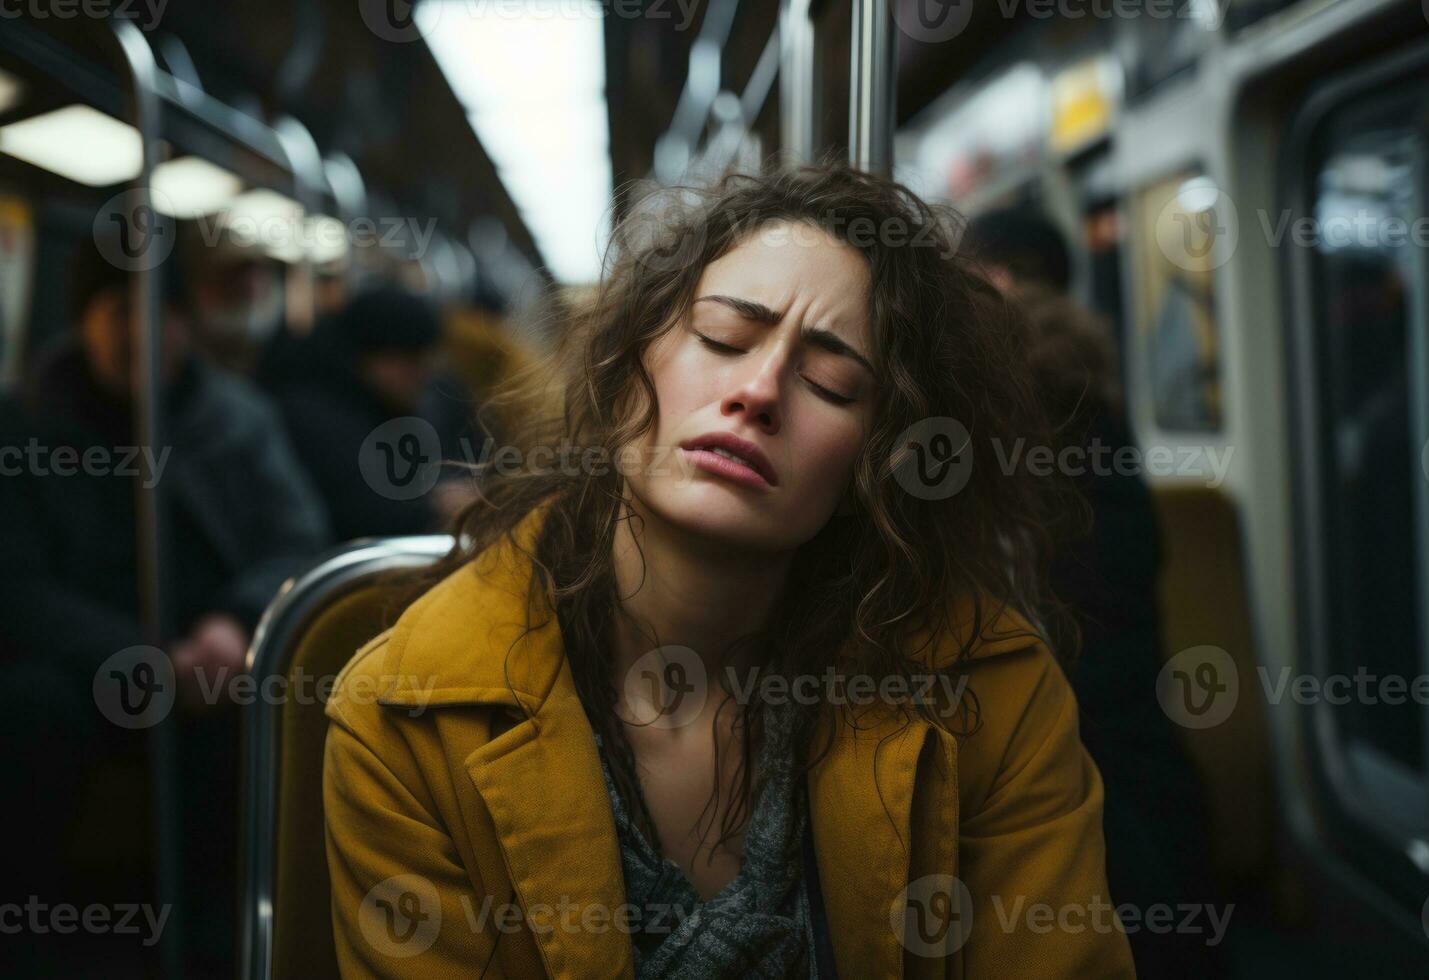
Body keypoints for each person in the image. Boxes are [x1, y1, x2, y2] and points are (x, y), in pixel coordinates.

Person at [321, 165, 1137, 979]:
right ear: (623, 371)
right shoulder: (409, 713)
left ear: (875, 468)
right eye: (721, 338)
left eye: (832, 381)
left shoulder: (991, 690)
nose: (759, 391)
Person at [0, 248, 330, 973]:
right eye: (121, 312)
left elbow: (295, 540)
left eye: (165, 313)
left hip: (216, 665)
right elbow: (16, 584)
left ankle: (241, 938)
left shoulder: (238, 421)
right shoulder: (23, 426)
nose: (147, 333)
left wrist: (236, 621)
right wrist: (138, 658)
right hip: (84, 670)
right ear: (83, 321)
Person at [964, 206, 1226, 977]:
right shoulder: (1089, 380)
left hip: (1071, 715)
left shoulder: (1000, 384)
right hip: (1135, 713)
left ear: (996, 279)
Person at [273, 282, 480, 541]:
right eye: (409, 361)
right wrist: (433, 505)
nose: (422, 375)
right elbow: (352, 509)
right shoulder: (312, 416)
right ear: (368, 357)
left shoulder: (412, 403)